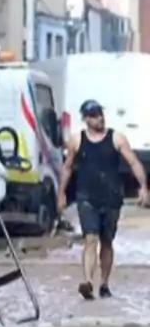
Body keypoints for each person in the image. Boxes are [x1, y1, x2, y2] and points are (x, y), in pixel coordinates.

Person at [58, 99, 150, 300]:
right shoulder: (77, 140)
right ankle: (88, 282)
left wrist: (143, 187)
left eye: (99, 113)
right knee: (90, 239)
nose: (98, 118)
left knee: (106, 242)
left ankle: (104, 284)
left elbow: (133, 162)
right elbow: (67, 167)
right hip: (86, 197)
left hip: (111, 197)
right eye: (93, 115)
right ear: (85, 119)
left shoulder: (117, 138)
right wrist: (62, 193)